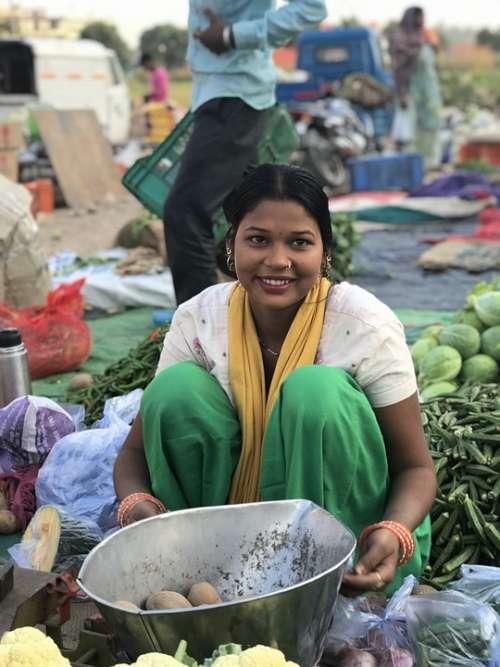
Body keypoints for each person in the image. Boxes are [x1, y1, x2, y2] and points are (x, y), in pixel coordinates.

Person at [114, 163, 437, 596]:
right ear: (231, 246)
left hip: (356, 543)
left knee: (314, 392)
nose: (278, 260)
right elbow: (133, 454)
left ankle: (320, 572)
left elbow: (416, 469)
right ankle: (198, 568)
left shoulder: (362, 324)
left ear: (325, 253)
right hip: (221, 539)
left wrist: (394, 530)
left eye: (299, 242)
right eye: (258, 239)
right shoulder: (200, 319)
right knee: (176, 392)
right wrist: (137, 507)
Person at [163, 1, 327, 305]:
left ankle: (201, 330)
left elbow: (311, 7)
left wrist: (232, 36)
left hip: (235, 92)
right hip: (217, 91)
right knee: (242, 213)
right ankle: (254, 318)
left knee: (185, 213)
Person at [390, 7, 443, 170]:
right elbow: (398, 70)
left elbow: (433, 67)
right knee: (411, 132)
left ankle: (430, 164)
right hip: (412, 92)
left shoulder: (425, 38)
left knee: (432, 127)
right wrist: (402, 94)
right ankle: (412, 168)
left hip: (430, 94)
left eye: (423, 17)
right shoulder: (402, 40)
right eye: (418, 18)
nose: (421, 21)